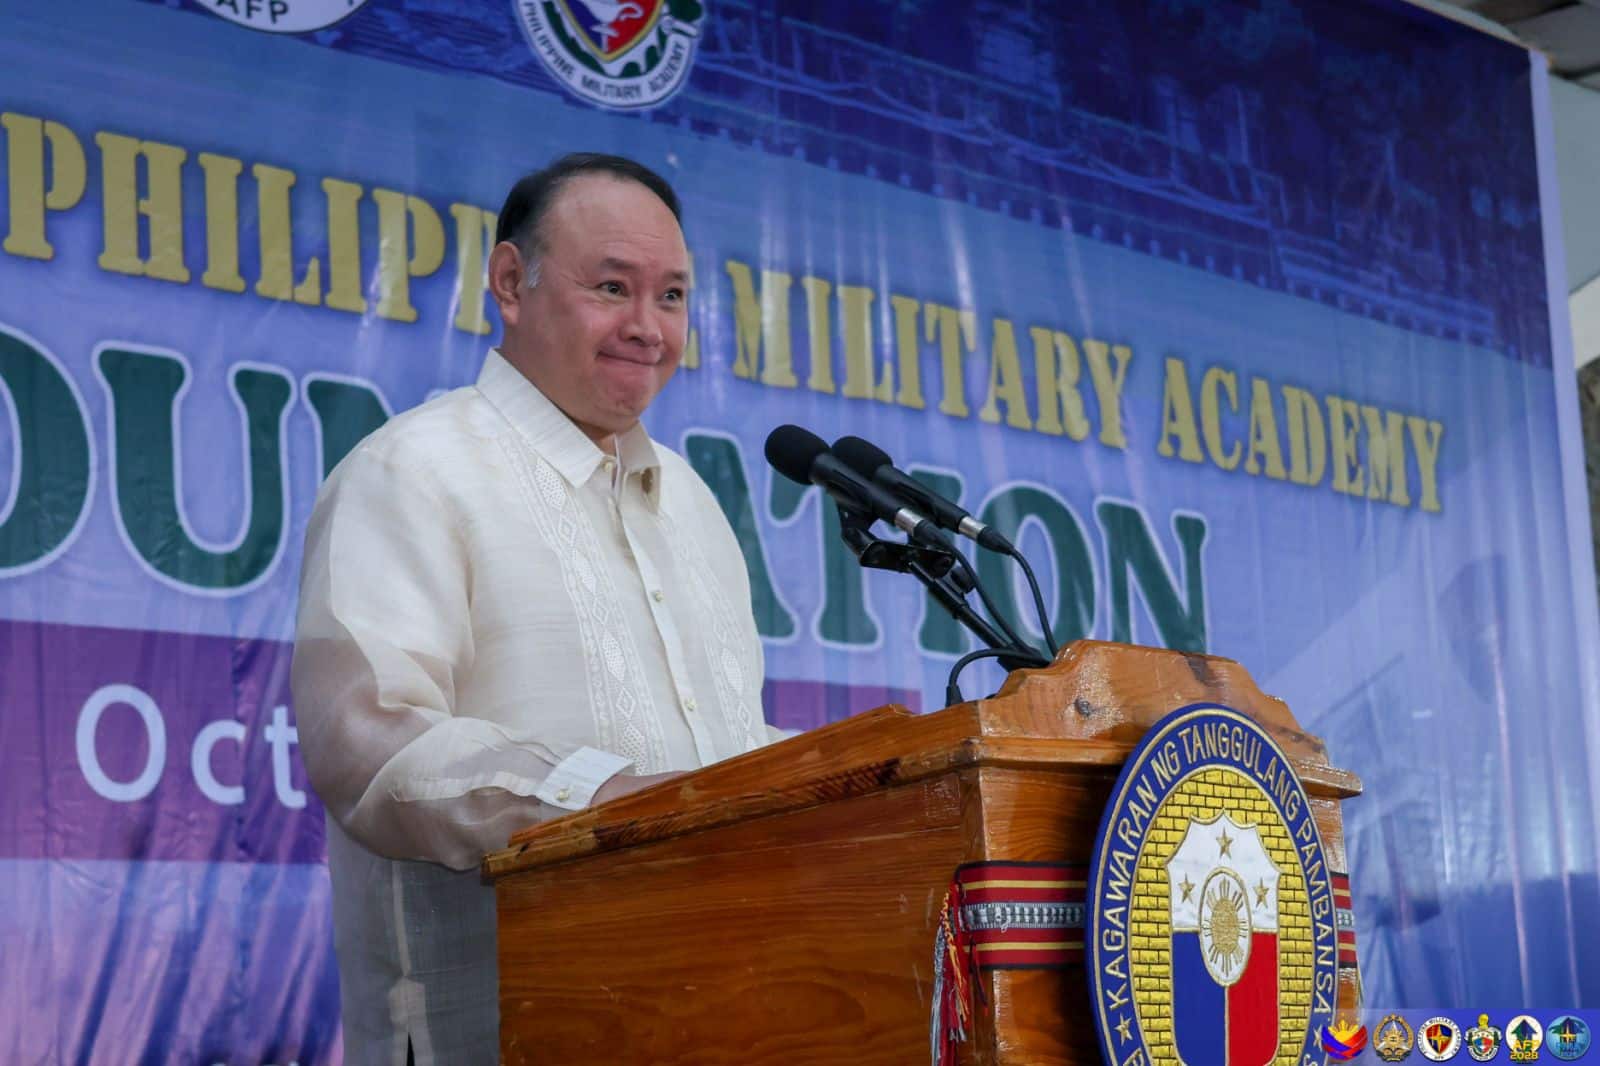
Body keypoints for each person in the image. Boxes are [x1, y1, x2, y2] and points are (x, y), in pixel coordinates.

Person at [291, 153, 779, 1065]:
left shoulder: (695, 503)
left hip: (714, 1015)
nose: (648, 328)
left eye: (672, 297)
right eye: (611, 287)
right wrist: (597, 799)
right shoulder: (413, 471)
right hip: (494, 1032)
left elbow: (723, 751)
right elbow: (371, 745)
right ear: (511, 284)